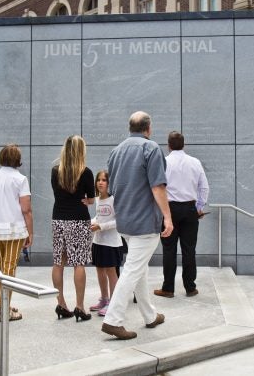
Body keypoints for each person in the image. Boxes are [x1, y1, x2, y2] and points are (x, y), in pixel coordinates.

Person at [102, 111, 174, 340]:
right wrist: (168, 218)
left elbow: (111, 187)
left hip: (125, 221)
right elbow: (158, 187)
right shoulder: (151, 148)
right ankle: (113, 320)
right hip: (145, 223)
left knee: (138, 268)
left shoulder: (116, 151)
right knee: (133, 270)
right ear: (148, 128)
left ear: (130, 127)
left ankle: (150, 316)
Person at [0, 144, 33, 322]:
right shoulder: (21, 179)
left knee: (0, 267)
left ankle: (3, 305)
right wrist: (30, 232)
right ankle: (4, 309)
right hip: (14, 229)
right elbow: (26, 209)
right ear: (17, 159)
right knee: (9, 268)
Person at [154, 131, 209, 298]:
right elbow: (204, 187)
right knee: (189, 249)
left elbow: (157, 187)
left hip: (169, 210)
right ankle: (190, 287)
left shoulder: (163, 162)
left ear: (168, 145)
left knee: (169, 250)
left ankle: (168, 288)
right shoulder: (195, 162)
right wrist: (199, 206)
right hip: (190, 209)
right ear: (184, 144)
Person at [51, 135, 95, 321]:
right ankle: (80, 306)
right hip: (78, 219)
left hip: (58, 219)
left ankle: (61, 303)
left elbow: (58, 194)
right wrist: (86, 200)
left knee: (58, 262)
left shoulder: (55, 171)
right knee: (78, 263)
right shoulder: (86, 172)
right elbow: (91, 199)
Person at [89, 170, 123, 317]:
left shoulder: (114, 199)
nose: (101, 182)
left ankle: (113, 303)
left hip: (112, 243)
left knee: (111, 272)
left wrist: (100, 226)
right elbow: (99, 216)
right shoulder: (97, 199)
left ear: (109, 183)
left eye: (104, 180)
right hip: (98, 241)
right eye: (99, 180)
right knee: (99, 270)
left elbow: (118, 221)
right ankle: (104, 299)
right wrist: (90, 223)